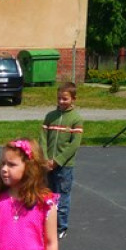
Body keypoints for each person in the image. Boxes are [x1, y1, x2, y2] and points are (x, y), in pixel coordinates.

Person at [40, 82, 84, 239]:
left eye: (65, 99)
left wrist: (58, 160)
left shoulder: (76, 119)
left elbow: (74, 144)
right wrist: (45, 158)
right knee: (46, 195)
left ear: (73, 99)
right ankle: (45, 224)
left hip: (64, 166)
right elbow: (43, 138)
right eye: (59, 98)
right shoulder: (50, 117)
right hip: (47, 165)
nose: (61, 102)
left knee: (62, 197)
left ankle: (61, 226)